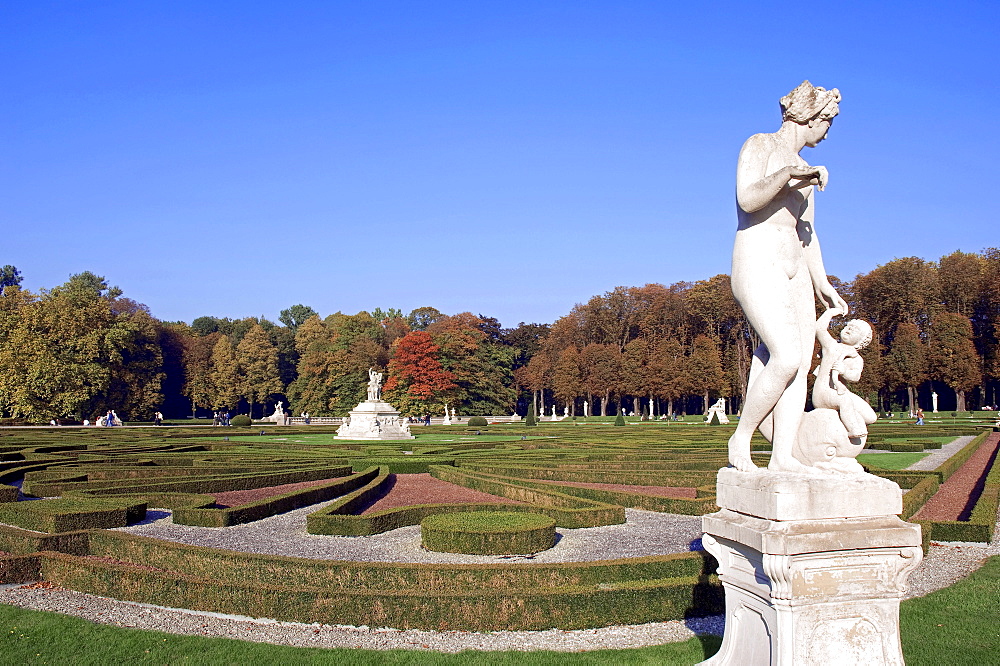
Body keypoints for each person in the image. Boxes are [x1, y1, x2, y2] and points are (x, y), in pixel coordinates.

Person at [727, 81, 848, 472]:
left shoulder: (807, 174)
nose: (828, 131)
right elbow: (747, 199)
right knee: (785, 357)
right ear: (809, 117)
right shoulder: (759, 145)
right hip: (758, 259)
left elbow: (808, 235)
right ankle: (741, 438)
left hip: (794, 266)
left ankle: (782, 457)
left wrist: (823, 282)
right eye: (826, 121)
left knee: (798, 366)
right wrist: (789, 175)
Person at [811, 307, 877, 438]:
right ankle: (852, 429)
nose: (850, 329)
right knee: (845, 401)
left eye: (855, 329)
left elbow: (856, 377)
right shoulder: (831, 346)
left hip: (840, 391)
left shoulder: (856, 358)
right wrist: (829, 312)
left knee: (870, 417)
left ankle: (842, 420)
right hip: (823, 392)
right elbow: (819, 328)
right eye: (848, 326)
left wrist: (844, 371)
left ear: (861, 340)